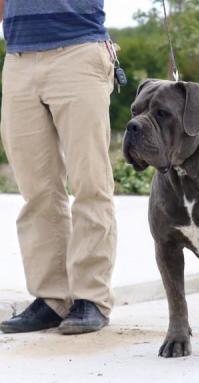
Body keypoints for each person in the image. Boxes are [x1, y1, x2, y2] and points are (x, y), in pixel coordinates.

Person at [0, 0, 117, 335]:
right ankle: (52, 298)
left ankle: (91, 298)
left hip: (79, 51)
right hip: (19, 57)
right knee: (36, 190)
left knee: (90, 183)